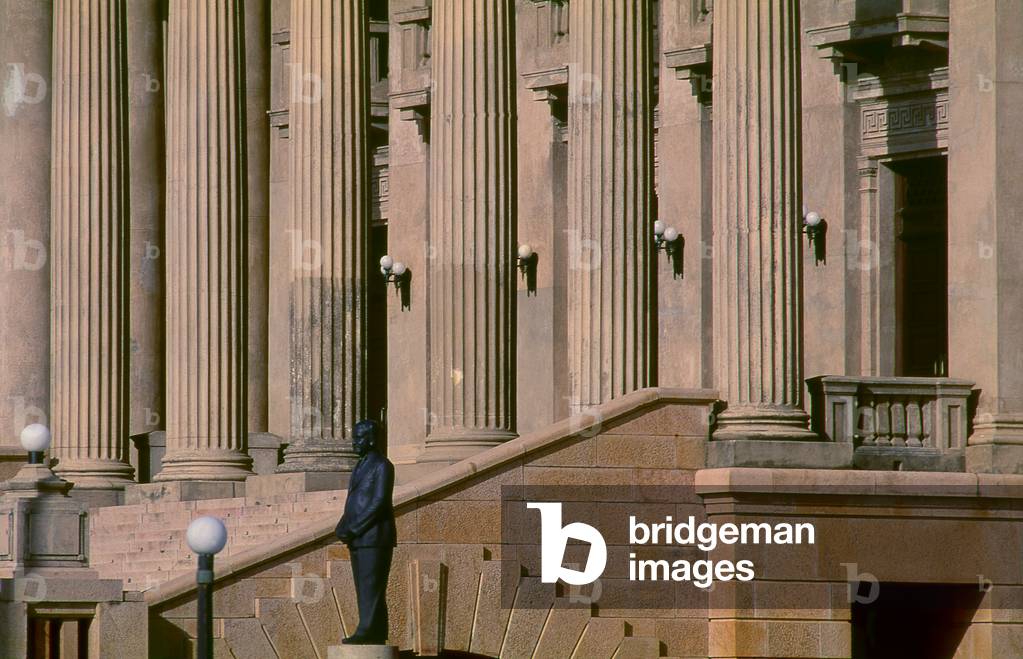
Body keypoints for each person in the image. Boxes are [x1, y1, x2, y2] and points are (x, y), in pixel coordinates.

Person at [335, 419, 397, 645]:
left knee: (372, 586)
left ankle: (367, 629)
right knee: (364, 586)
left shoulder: (383, 465)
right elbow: (354, 498)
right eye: (354, 438)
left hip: (374, 537)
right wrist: (342, 524)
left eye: (359, 438)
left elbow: (379, 502)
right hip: (360, 538)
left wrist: (354, 528)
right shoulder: (360, 465)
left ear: (371, 439)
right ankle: (376, 631)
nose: (354, 443)